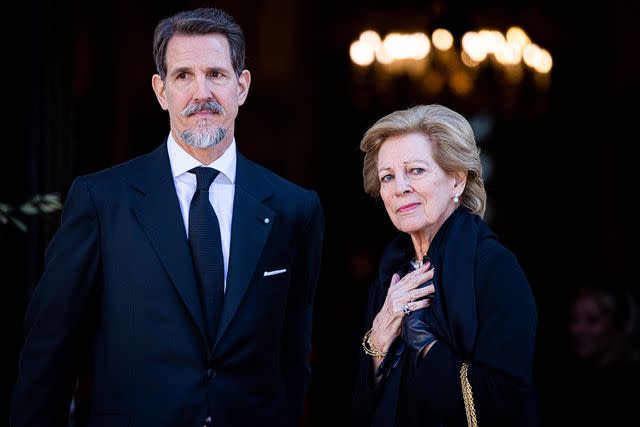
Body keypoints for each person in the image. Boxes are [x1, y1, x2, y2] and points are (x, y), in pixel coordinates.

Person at [11, 7, 324, 427]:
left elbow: (293, 357)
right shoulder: (102, 200)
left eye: (216, 73)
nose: (202, 93)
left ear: (242, 86)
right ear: (161, 91)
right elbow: (50, 351)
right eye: (183, 76)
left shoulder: (294, 208)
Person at [351, 104, 537, 426]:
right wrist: (379, 338)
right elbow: (360, 408)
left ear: (456, 181)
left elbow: (504, 402)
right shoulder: (390, 275)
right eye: (388, 177)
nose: (400, 188)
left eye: (417, 171)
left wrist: (424, 343)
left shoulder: (494, 268)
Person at [548, 285, 640, 427]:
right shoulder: (575, 377)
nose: (576, 330)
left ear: (618, 324)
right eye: (574, 319)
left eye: (592, 320)